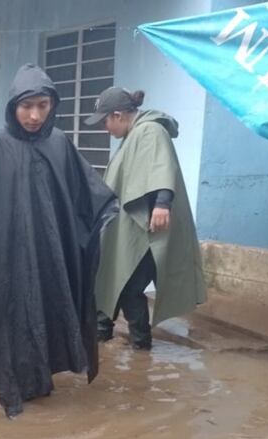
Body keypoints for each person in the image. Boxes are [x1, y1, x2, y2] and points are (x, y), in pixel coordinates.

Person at [0, 65, 118, 418]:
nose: (34, 116)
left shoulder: (60, 144)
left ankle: (40, 381)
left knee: (46, 310)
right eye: (26, 106)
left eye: (43, 105)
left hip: (49, 254)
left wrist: (106, 212)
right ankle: (13, 388)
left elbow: (85, 195)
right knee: (9, 314)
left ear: (52, 105)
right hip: (5, 256)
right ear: (13, 106)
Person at [87, 87, 206, 350]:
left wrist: (162, 204)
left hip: (148, 231)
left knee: (129, 286)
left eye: (105, 121)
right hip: (133, 228)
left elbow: (162, 166)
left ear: (118, 115)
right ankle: (102, 335)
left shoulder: (150, 130)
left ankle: (141, 346)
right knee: (113, 276)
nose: (105, 129)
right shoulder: (133, 135)